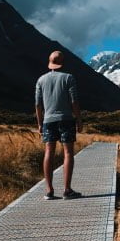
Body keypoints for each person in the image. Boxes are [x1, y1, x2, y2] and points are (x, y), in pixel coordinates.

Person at [35, 50, 83, 200]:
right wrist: (79, 119)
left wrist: (39, 123)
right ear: (62, 62)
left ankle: (49, 190)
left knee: (49, 152)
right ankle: (67, 190)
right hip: (66, 119)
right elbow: (74, 101)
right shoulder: (69, 78)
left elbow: (37, 105)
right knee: (68, 153)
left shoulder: (41, 80)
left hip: (48, 120)